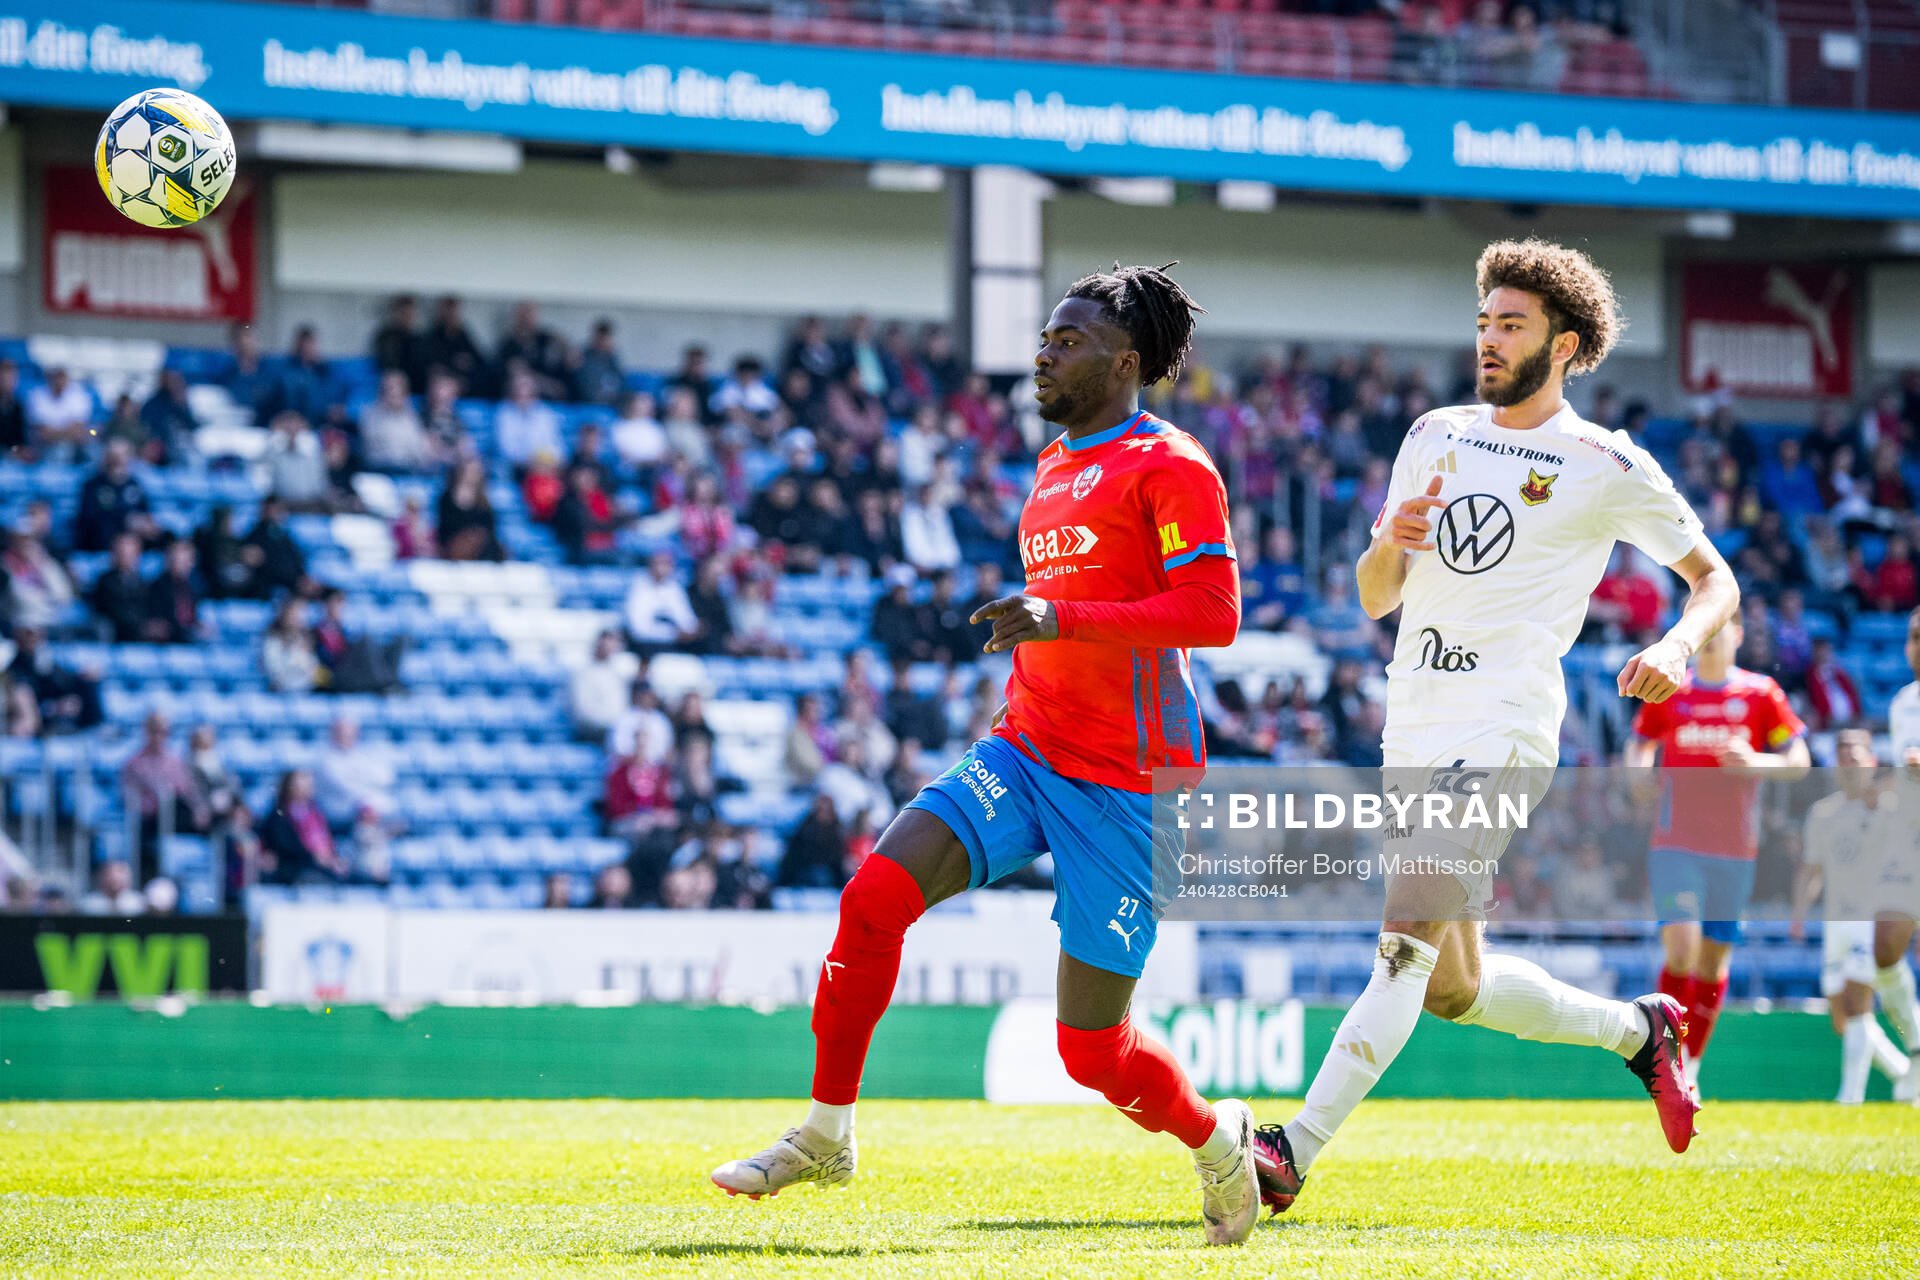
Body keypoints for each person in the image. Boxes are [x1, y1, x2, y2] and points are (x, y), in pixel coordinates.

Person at [711, 265, 1262, 1245]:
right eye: (1044, 336)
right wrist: (1050, 632)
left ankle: (1217, 1138)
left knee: (1092, 1052)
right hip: (1026, 747)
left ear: (1125, 361)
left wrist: (1062, 613)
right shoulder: (1052, 465)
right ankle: (827, 1132)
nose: (1043, 352)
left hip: (1129, 786)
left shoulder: (1172, 465)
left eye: (1067, 340)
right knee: (873, 897)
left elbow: (1214, 614)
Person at [1253, 239, 1740, 1213]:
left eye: (1510, 323)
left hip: (1507, 723)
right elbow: (1372, 594)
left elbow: (1714, 578)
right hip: (1417, 718)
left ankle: (1290, 1147)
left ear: (1563, 344)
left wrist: (1681, 647)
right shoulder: (1434, 432)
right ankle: (1642, 1031)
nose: (1488, 337)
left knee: (1402, 935)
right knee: (1448, 985)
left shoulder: (1606, 463)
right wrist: (1389, 545)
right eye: (1483, 321)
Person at [1624, 615, 1809, 1093]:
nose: (1712, 638)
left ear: (1739, 635)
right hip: (1675, 845)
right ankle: (1661, 1058)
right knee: (1682, 948)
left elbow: (1799, 763)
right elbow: (1641, 741)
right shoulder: (1673, 690)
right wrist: (1637, 774)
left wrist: (1757, 762)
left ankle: (1691, 1067)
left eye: (1722, 629)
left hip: (1734, 850)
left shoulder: (1760, 693)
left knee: (1711, 963)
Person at [1788, 730, 1911, 1104]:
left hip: (1871, 917)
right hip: (1834, 922)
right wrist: (1798, 913)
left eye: (1856, 757)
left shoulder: (1890, 807)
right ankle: (1906, 1074)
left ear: (1872, 762)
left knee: (1859, 1002)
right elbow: (1812, 870)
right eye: (1843, 758)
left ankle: (1850, 1098)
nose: (1849, 764)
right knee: (1843, 1018)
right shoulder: (1824, 813)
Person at [74, 440, 157, 553]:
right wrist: (125, 521)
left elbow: (146, 513)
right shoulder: (92, 486)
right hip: (100, 547)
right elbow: (90, 521)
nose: (118, 461)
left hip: (133, 546)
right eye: (114, 456)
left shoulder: (134, 485)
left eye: (122, 456)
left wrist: (147, 525)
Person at [569, 629, 640, 742]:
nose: (609, 649)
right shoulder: (583, 673)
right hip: (595, 732)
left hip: (618, 730)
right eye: (606, 646)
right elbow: (583, 712)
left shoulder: (618, 672)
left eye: (613, 645)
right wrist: (613, 725)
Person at [436, 458, 505, 562]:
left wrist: (476, 534)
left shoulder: (484, 500)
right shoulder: (446, 498)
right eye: (470, 471)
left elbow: (490, 526)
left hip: (481, 543)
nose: (473, 475)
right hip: (454, 542)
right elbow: (444, 525)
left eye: (476, 471)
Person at [90, 532, 149, 644]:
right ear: (114, 553)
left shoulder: (143, 582)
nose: (126, 557)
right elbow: (110, 610)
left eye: (131, 553)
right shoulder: (105, 581)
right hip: (117, 632)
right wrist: (141, 626)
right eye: (122, 553)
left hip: (140, 632)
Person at [143, 537, 203, 644]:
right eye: (178, 560)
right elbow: (160, 626)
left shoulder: (196, 587)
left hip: (189, 638)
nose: (184, 565)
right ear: (168, 560)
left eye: (187, 561)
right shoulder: (156, 587)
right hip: (167, 642)